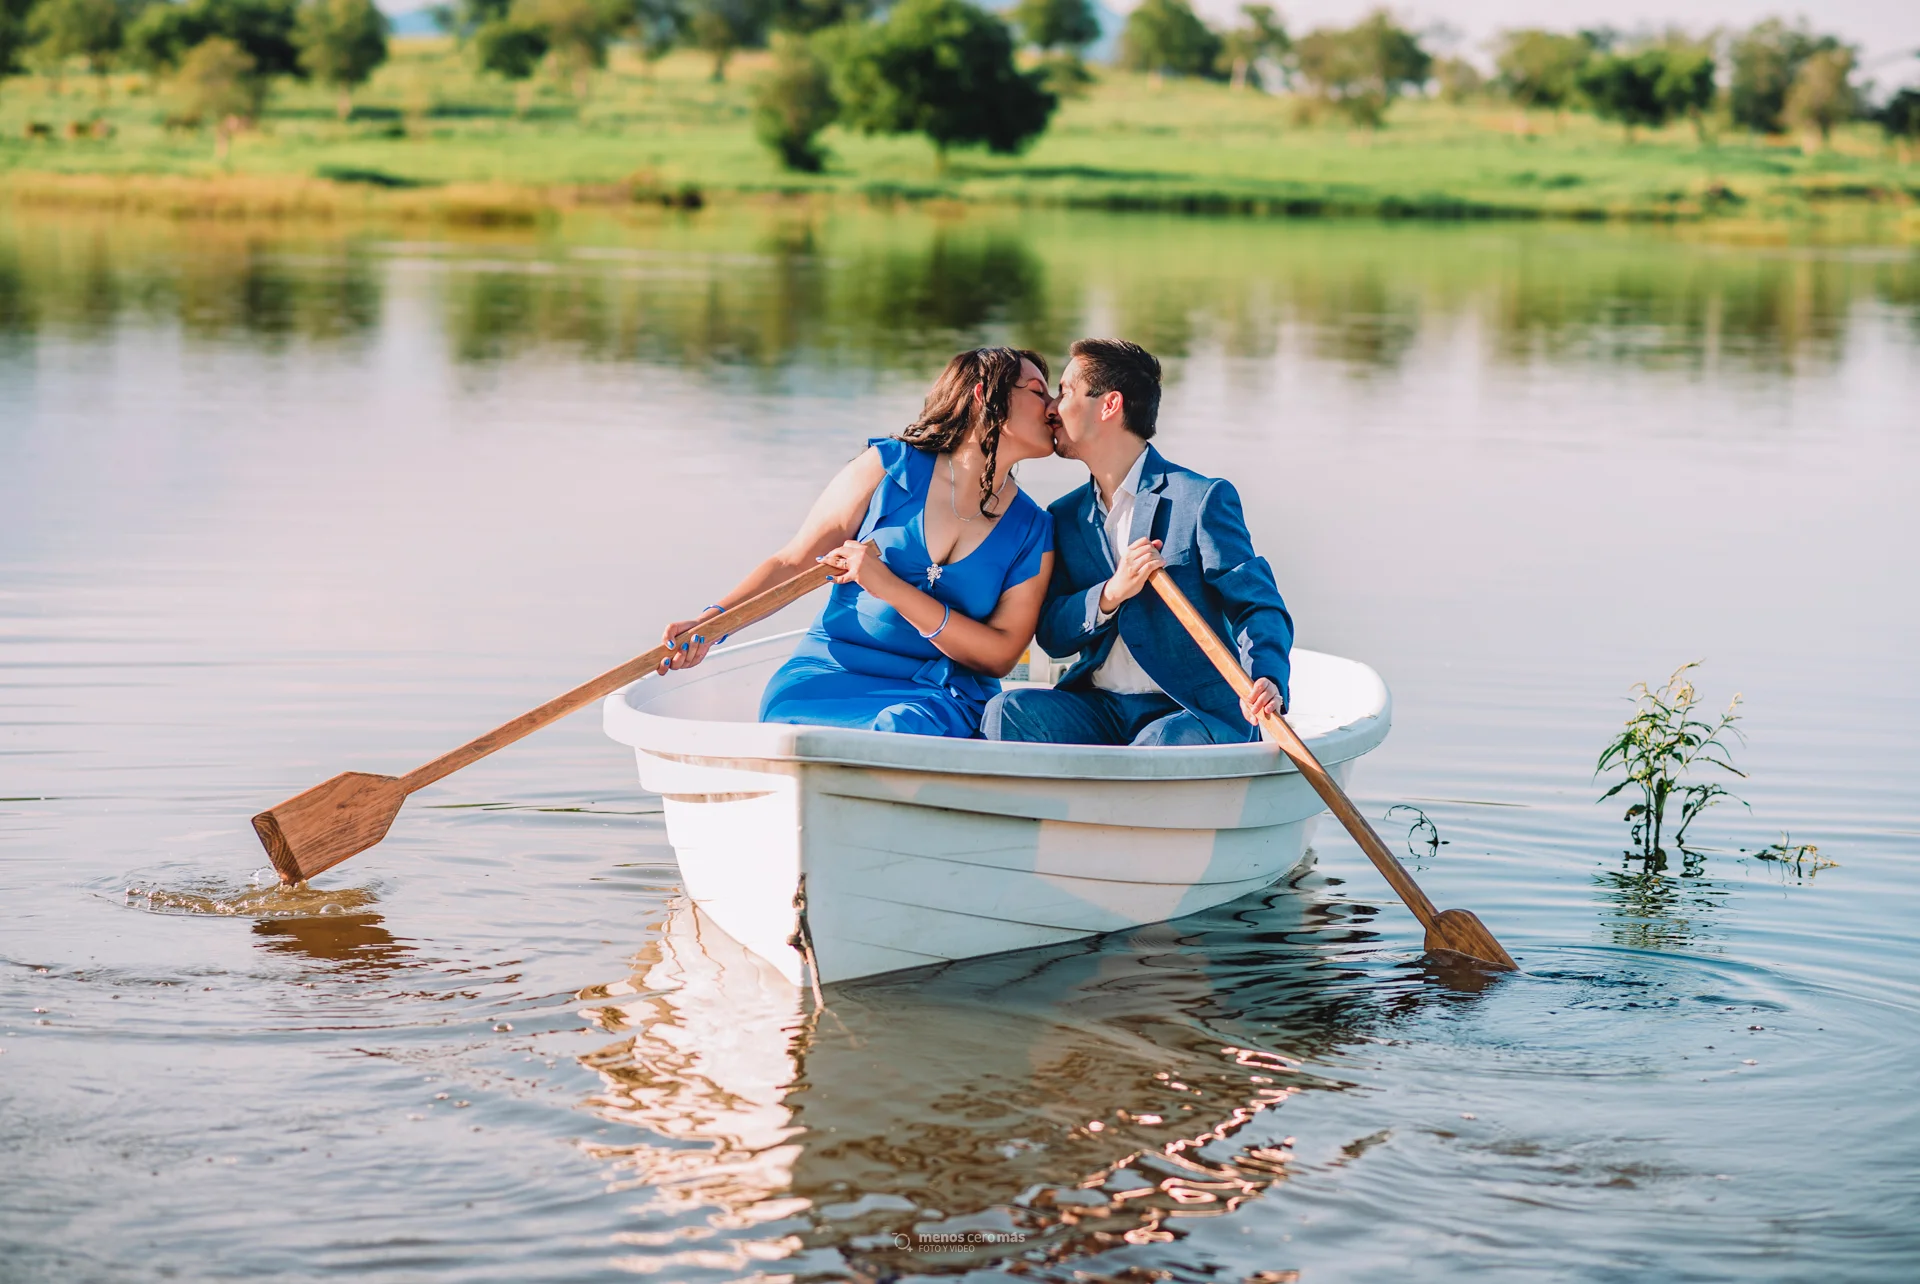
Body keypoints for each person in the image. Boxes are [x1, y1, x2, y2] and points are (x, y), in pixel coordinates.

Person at [657, 347, 1057, 738]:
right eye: (1038, 392)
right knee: (791, 719)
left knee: (898, 731)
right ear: (983, 395)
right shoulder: (887, 467)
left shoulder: (1034, 528)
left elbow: (1000, 655)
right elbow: (794, 562)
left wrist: (889, 587)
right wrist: (711, 623)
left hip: (938, 695)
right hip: (831, 673)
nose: (1054, 407)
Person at [982, 338, 1293, 747]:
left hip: (1188, 712)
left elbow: (1257, 604)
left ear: (1109, 405)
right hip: (1100, 709)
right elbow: (1054, 635)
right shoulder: (1063, 516)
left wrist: (1267, 676)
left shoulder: (1199, 499)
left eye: (1066, 391)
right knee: (1007, 712)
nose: (1052, 408)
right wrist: (1110, 593)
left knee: (1162, 741)